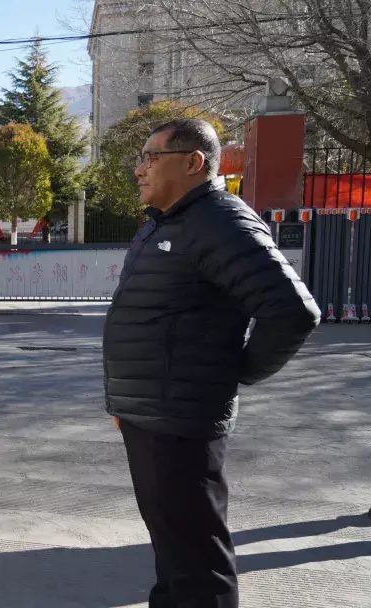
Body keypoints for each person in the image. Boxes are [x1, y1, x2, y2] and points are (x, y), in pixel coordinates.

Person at [105, 119, 320, 607]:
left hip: (183, 420)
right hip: (149, 415)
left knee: (199, 562)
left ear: (192, 162)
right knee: (173, 550)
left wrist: (236, 371)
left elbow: (293, 311)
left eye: (150, 157)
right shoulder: (165, 223)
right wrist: (126, 403)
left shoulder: (220, 221)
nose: (139, 169)